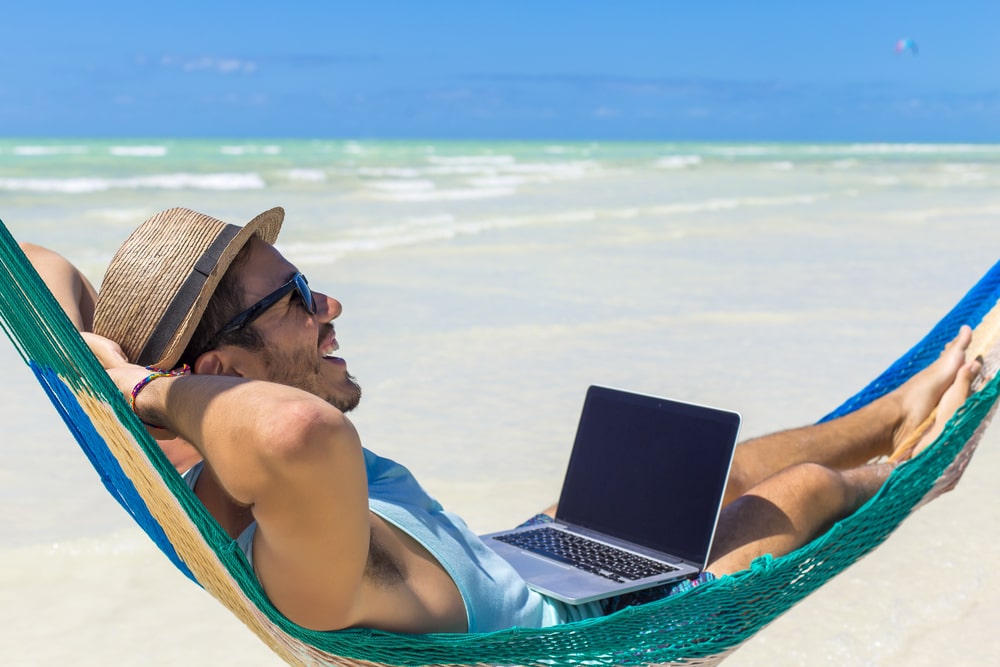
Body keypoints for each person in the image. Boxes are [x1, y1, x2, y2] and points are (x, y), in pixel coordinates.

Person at [21, 206, 984, 635]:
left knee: (690, 465)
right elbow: (294, 435)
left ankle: (893, 404)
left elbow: (40, 264)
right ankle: (915, 462)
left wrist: (103, 366)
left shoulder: (203, 440)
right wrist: (147, 394)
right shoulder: (297, 547)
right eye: (297, 296)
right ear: (223, 369)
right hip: (586, 628)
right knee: (804, 493)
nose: (330, 309)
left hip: (519, 556)